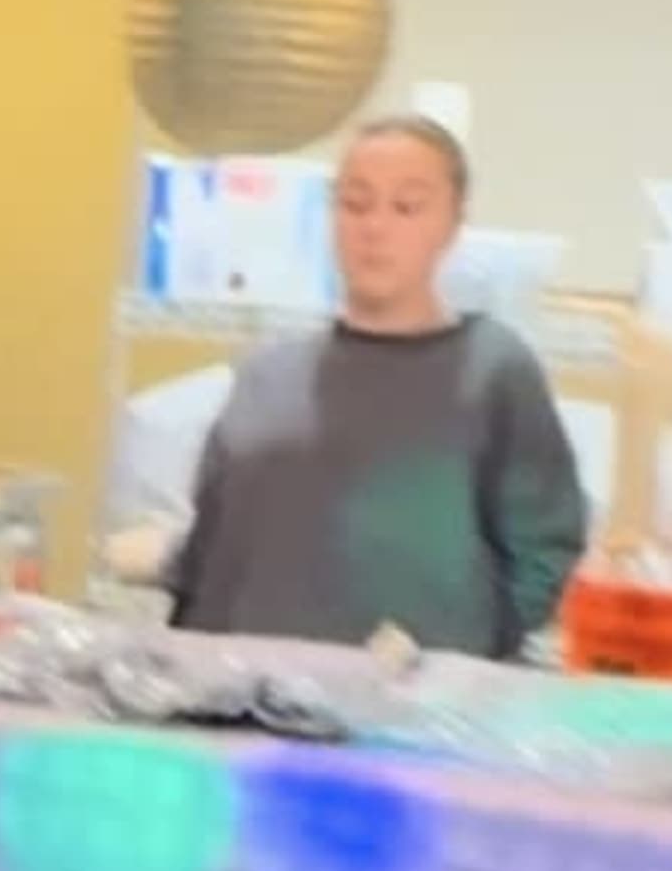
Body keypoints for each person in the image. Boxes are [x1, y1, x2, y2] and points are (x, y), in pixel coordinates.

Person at [160, 114, 590, 657]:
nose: (375, 228)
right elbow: (209, 556)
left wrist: (452, 657)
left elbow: (546, 556)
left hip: (414, 701)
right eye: (355, 204)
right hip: (243, 691)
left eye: (406, 207)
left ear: (452, 224)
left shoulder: (492, 370)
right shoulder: (268, 375)